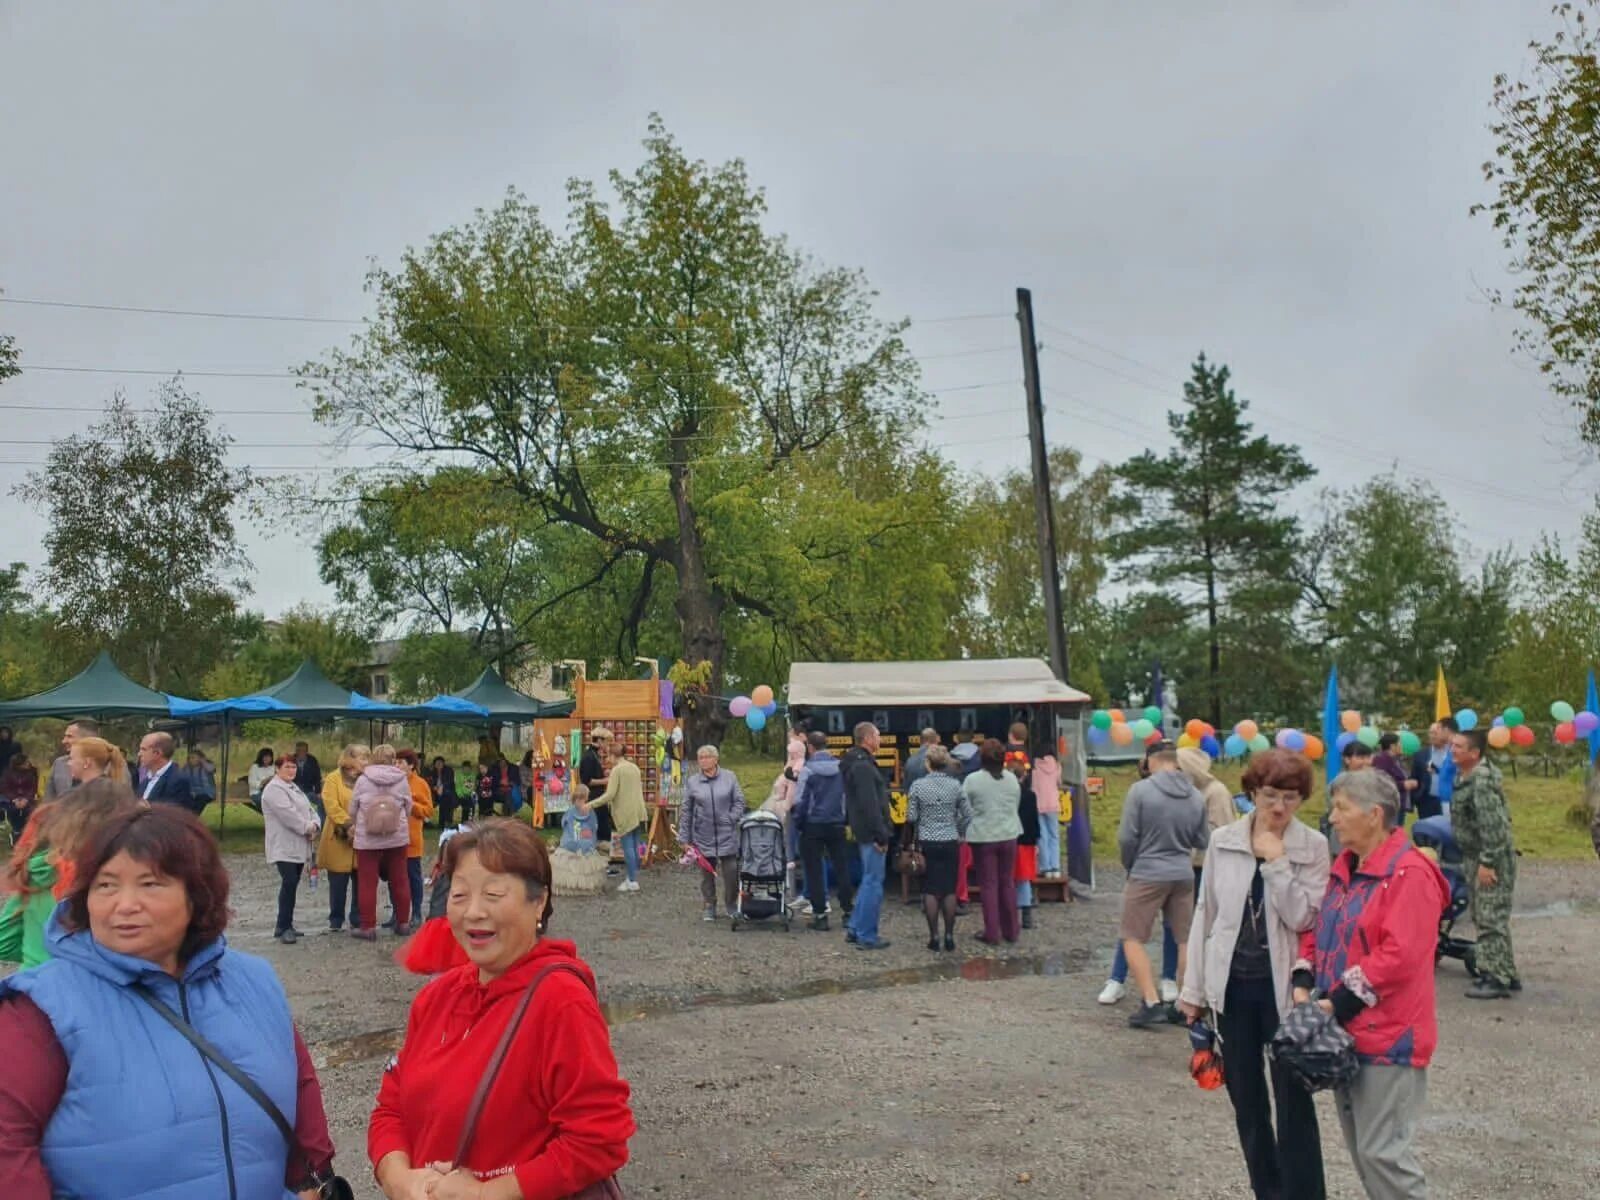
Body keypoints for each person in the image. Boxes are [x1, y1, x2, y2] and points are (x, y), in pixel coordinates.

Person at [0, 805, 339, 1199]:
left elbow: (298, 1086)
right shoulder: (40, 1009)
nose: (124, 904)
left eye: (150, 883)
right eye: (106, 885)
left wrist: (309, 1181)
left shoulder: (254, 980)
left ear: (198, 894)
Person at [370, 819, 633, 1199]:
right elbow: (391, 1107)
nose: (473, 912)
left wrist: (486, 1193)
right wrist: (399, 1178)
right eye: (459, 896)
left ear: (539, 901)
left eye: (493, 895)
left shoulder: (561, 1001)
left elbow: (599, 1139)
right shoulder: (437, 997)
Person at [1179, 749, 1331, 1200]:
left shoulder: (1313, 847)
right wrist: (1194, 991)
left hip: (1285, 991)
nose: (1279, 807)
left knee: (1293, 1101)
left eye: (1289, 797)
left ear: (1302, 799)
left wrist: (1277, 862)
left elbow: (1306, 918)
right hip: (1233, 988)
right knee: (1247, 1101)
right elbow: (1207, 916)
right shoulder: (1224, 839)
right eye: (1269, 795)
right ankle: (1268, 1191)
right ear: (1251, 794)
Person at [1296, 767, 1445, 1200]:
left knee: (1384, 1156)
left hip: (1389, 1037)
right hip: (1346, 1033)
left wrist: (1337, 1001)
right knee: (1366, 1155)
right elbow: (1319, 927)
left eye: (1342, 808)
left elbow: (1401, 955)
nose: (1333, 818)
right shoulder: (1345, 868)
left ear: (1375, 814)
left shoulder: (1409, 874)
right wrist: (1304, 975)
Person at [0, 779, 140, 968]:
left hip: (32, 986)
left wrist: (38, 953)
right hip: (91, 987)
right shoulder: (118, 878)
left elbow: (4, 942)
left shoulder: (40, 869)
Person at [1118, 746, 1208, 1029]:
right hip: (1182, 872)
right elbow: (1203, 838)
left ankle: (1150, 1001)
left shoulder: (1140, 791)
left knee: (1132, 936)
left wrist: (1131, 865)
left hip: (1147, 870)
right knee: (1184, 939)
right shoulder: (1195, 795)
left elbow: (1127, 837)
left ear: (1150, 761)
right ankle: (1184, 1003)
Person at [1100, 744, 1181, 1005]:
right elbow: (1127, 835)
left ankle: (1167, 978)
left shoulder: (1184, 791)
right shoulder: (1141, 791)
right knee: (1132, 927)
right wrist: (1132, 864)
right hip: (1146, 867)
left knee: (1167, 926)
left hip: (1169, 867)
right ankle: (1118, 979)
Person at [1450, 728, 1520, 999]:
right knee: (1487, 916)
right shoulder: (1465, 775)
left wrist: (1488, 863)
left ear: (1474, 753)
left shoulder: (1481, 781)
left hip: (1489, 858)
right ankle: (1506, 971)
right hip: (1475, 856)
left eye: (1458, 746)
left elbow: (1495, 828)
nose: (1452, 749)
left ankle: (1494, 978)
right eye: (1453, 744)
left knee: (1490, 917)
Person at [906, 743, 971, 951]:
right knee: (949, 889)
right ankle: (950, 936)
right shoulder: (955, 785)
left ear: (928, 764)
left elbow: (911, 817)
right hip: (951, 840)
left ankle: (934, 936)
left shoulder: (918, 786)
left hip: (927, 841)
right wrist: (959, 830)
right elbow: (968, 814)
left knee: (930, 890)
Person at [348, 743, 415, 940]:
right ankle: (403, 923)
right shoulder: (401, 779)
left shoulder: (362, 780)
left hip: (368, 838)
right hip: (396, 836)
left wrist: (356, 822)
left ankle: (368, 927)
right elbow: (408, 806)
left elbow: (353, 808)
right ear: (393, 759)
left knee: (367, 882)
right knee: (400, 879)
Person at [792, 730, 854, 930]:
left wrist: (799, 822)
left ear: (810, 747)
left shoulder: (808, 771)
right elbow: (846, 797)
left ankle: (820, 915)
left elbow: (800, 800)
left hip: (813, 824)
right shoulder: (841, 768)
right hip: (836, 823)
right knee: (841, 867)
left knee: (815, 869)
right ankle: (848, 911)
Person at [964, 737, 1022, 946]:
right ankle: (1012, 930)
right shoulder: (1012, 779)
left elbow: (965, 808)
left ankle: (992, 933)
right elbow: (1016, 803)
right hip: (1009, 834)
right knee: (1007, 882)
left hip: (983, 836)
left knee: (988, 885)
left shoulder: (973, 780)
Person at [679, 745, 746, 920]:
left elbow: (739, 802)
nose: (703, 760)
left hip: (727, 833)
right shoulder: (693, 781)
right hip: (703, 834)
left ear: (716, 759)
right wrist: (684, 839)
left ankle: (731, 905)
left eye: (707, 757)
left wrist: (731, 817)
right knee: (706, 874)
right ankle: (710, 905)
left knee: (731, 872)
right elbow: (686, 810)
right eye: (700, 757)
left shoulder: (729, 777)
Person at [261, 753, 322, 944]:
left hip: (299, 844)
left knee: (293, 884)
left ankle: (285, 924)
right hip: (283, 845)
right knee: (288, 882)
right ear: (277, 769)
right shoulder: (273, 790)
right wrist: (307, 827)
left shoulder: (294, 787)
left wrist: (316, 823)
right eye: (287, 767)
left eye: (294, 767)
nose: (291, 770)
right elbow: (288, 815)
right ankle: (283, 926)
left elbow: (310, 809)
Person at [843, 722, 893, 951]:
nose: (880, 739)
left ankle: (855, 927)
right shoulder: (863, 767)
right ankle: (867, 935)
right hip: (871, 832)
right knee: (873, 882)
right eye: (878, 735)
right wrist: (881, 833)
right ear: (868, 738)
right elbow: (869, 803)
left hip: (863, 830)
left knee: (867, 880)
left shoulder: (855, 763)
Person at [317, 743, 366, 932]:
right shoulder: (333, 778)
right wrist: (348, 824)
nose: (365, 762)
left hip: (362, 837)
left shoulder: (366, 779)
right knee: (338, 882)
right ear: (350, 758)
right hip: (339, 836)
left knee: (361, 881)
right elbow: (331, 805)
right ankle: (336, 919)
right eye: (362, 757)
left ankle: (358, 917)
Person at [590, 738, 646, 894]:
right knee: (635, 846)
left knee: (628, 847)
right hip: (638, 810)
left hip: (625, 812)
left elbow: (609, 795)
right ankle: (633, 878)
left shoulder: (617, 770)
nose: (607, 760)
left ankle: (632, 880)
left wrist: (590, 805)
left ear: (613, 756)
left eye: (608, 756)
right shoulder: (634, 767)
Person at [394, 750, 436, 928]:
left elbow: (428, 811)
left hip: (411, 839)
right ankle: (397, 913)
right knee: (395, 878)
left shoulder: (420, 784)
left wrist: (411, 804)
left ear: (411, 765)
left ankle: (417, 912)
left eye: (401, 763)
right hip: (392, 839)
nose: (397, 766)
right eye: (395, 763)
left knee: (413, 877)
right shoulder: (391, 782)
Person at [1409, 718, 1457, 822]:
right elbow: (1414, 777)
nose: (1432, 736)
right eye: (1430, 733)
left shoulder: (1455, 752)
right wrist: (1415, 799)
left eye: (1436, 732)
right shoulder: (1420, 755)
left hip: (1450, 800)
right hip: (1427, 801)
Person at [136, 731, 194, 812]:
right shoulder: (145, 781)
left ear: (157, 753)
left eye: (143, 749)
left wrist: (147, 808)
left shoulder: (179, 780)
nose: (139, 754)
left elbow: (178, 814)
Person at [1031, 740, 1064, 881]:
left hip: (1038, 804)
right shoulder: (1057, 765)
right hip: (1053, 804)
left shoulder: (1034, 767)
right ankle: (1055, 867)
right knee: (1054, 836)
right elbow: (1059, 783)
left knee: (1042, 836)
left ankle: (1045, 867)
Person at [44, 717, 96, 799]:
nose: (64, 741)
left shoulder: (111, 766)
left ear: (87, 739)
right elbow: (48, 801)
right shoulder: (59, 764)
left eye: (69, 736)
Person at [579, 727, 612, 844]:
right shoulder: (588, 757)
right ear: (599, 741)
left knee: (603, 825)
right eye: (606, 741)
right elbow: (587, 780)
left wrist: (603, 774)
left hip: (598, 795)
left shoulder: (594, 755)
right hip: (592, 796)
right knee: (597, 826)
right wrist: (605, 781)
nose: (608, 744)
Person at [1372, 734, 1413, 818]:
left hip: (1398, 803)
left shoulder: (1395, 759)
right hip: (1389, 804)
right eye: (1400, 743)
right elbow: (1381, 782)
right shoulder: (1382, 760)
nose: (1402, 746)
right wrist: (1403, 785)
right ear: (1392, 746)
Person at [1, 750, 38, 841]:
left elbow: (32, 788)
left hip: (27, 799)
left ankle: (26, 833)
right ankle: (15, 832)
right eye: (26, 762)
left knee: (29, 811)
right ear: (19, 764)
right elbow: (5, 788)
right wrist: (14, 799)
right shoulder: (7, 773)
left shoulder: (31, 773)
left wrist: (26, 799)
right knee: (13, 810)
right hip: (11, 799)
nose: (28, 764)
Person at [903, 727, 940, 792]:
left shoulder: (910, 761)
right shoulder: (939, 759)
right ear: (935, 740)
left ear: (920, 741)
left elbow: (906, 788)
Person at [293, 741, 323, 815]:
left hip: (309, 790)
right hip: (294, 791)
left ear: (307, 751)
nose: (300, 753)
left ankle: (319, 821)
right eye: (298, 751)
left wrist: (318, 792)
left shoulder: (312, 760)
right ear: (296, 751)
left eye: (303, 751)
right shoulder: (291, 760)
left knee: (323, 801)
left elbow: (317, 777)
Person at [430, 755, 459, 828]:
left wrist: (442, 787)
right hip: (435, 793)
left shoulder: (449, 770)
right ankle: (442, 822)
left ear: (443, 764)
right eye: (437, 763)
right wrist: (434, 787)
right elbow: (431, 782)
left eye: (440, 763)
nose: (439, 765)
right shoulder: (433, 771)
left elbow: (449, 782)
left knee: (446, 796)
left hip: (447, 791)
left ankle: (446, 821)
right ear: (434, 764)